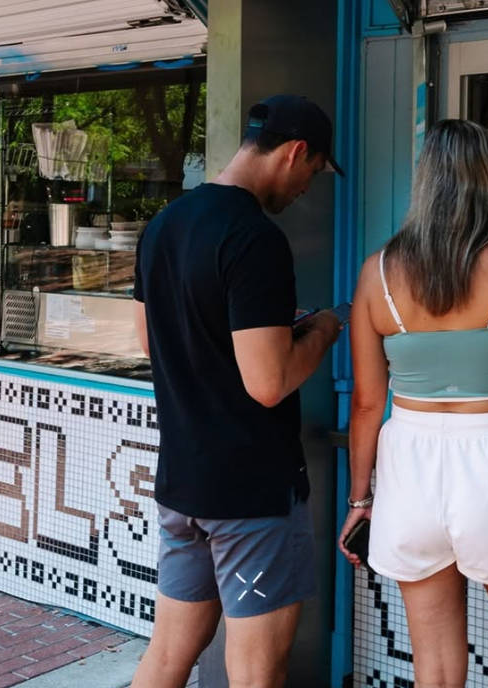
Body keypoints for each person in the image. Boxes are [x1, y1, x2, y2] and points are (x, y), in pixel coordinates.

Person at [338, 119, 488, 688]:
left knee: (436, 671)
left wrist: (359, 500)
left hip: (410, 466)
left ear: (424, 182)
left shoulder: (377, 272)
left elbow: (369, 405)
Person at [131, 95, 344, 688]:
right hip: (249, 495)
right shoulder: (255, 238)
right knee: (256, 672)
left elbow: (153, 341)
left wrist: (269, 329)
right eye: (314, 172)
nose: (307, 187)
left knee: (168, 657)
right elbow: (269, 382)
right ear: (296, 152)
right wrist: (323, 330)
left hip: (183, 485)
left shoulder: (163, 225)